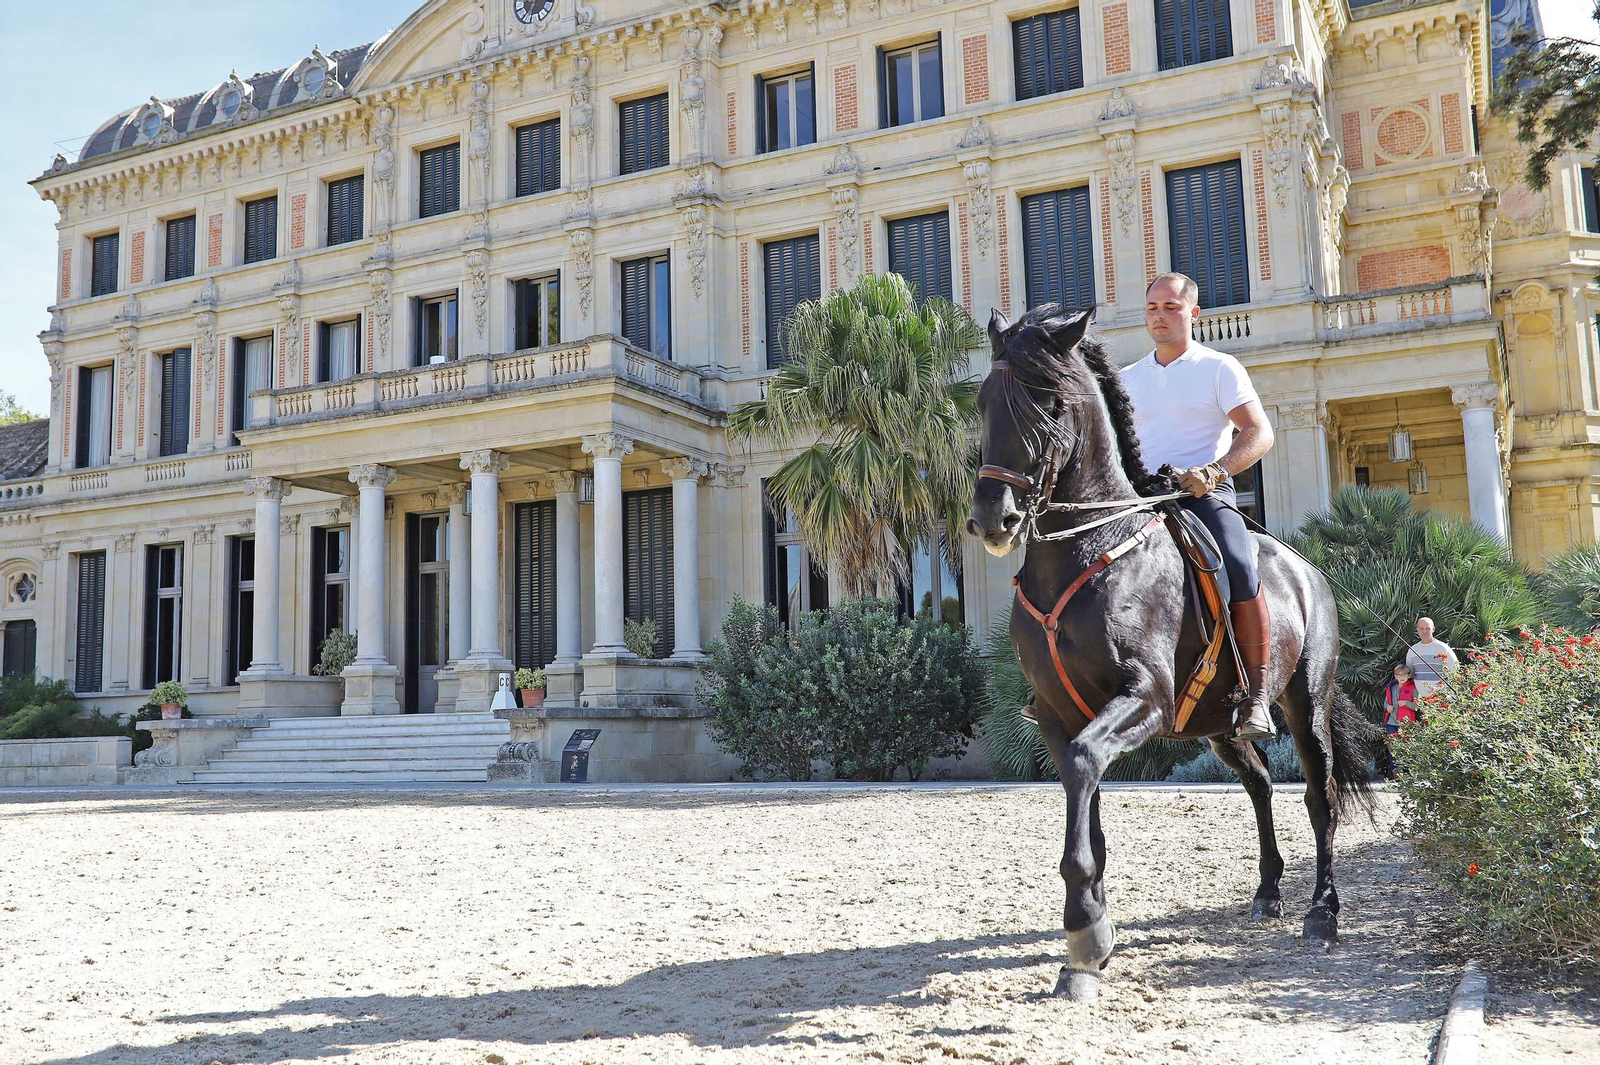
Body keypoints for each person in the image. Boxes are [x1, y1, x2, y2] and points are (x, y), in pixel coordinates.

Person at [1121, 273, 1277, 741]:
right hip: (1140, 498)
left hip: (1202, 494)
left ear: (1193, 314)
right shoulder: (1128, 378)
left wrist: (1213, 473)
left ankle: (1256, 695)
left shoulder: (1218, 367)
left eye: (1171, 307)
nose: (1160, 315)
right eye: (1152, 307)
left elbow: (1258, 433)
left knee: (1240, 565)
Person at [1378, 663, 1419, 779]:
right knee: (1393, 748)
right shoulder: (1392, 688)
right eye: (1398, 675)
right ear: (1395, 676)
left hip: (1407, 723)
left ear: (1409, 675)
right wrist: (1388, 707)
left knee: (1407, 748)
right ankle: (1396, 772)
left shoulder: (1412, 688)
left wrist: (1406, 703)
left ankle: (1408, 773)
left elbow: (1417, 706)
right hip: (1392, 722)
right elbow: (1386, 703)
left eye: (1404, 674)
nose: (1401, 677)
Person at [1406, 616, 1459, 699]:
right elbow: (1410, 674)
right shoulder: (1412, 650)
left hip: (1440, 698)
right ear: (1417, 630)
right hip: (1419, 699)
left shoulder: (1443, 648)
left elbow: (1454, 670)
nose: (1424, 631)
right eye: (1421, 628)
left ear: (1433, 629)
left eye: (1427, 628)